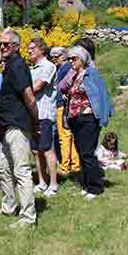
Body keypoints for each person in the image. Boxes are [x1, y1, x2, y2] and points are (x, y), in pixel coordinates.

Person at [0, 30, 39, 228]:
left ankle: (28, 217)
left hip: (18, 126)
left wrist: (36, 121)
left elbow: (29, 97)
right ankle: (9, 207)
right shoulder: (9, 66)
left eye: (6, 44)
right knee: (3, 169)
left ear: (16, 46)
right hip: (6, 126)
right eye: (0, 44)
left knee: (21, 171)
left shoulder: (19, 66)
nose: (2, 47)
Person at [65, 45, 114, 200]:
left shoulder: (91, 73)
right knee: (81, 153)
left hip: (88, 119)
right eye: (69, 59)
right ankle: (87, 184)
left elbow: (102, 94)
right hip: (75, 119)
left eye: (74, 58)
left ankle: (96, 187)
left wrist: (103, 117)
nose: (71, 61)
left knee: (87, 153)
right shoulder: (74, 75)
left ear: (83, 59)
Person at [27, 37, 59, 196]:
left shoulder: (49, 66)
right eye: (28, 48)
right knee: (35, 150)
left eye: (32, 48)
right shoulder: (32, 68)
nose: (29, 51)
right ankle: (42, 181)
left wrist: (22, 92)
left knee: (46, 148)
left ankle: (53, 184)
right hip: (33, 114)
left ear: (41, 49)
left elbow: (38, 86)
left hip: (44, 113)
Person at [51, 46, 80, 177]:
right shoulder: (63, 68)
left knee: (64, 136)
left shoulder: (66, 68)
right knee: (69, 135)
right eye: (51, 57)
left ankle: (65, 166)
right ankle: (75, 164)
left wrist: (66, 93)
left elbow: (72, 83)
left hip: (63, 106)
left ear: (63, 56)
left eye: (55, 57)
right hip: (64, 105)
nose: (53, 59)